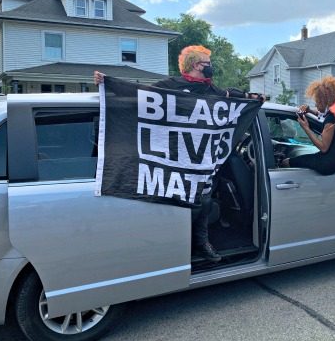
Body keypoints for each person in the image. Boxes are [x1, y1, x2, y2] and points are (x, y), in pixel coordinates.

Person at [94, 45, 264, 263]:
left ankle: (202, 244)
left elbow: (234, 97)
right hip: (174, 158)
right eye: (207, 63)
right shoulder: (171, 85)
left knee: (204, 201)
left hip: (202, 160)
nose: (211, 67)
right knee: (182, 206)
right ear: (195, 65)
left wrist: (255, 98)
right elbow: (140, 93)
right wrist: (109, 83)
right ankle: (175, 250)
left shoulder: (212, 90)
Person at [281, 76, 335, 175]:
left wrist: (306, 128)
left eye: (317, 102)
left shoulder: (330, 120)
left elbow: (323, 147)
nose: (316, 105)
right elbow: (322, 115)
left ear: (324, 101)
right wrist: (310, 111)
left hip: (328, 164)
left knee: (286, 162)